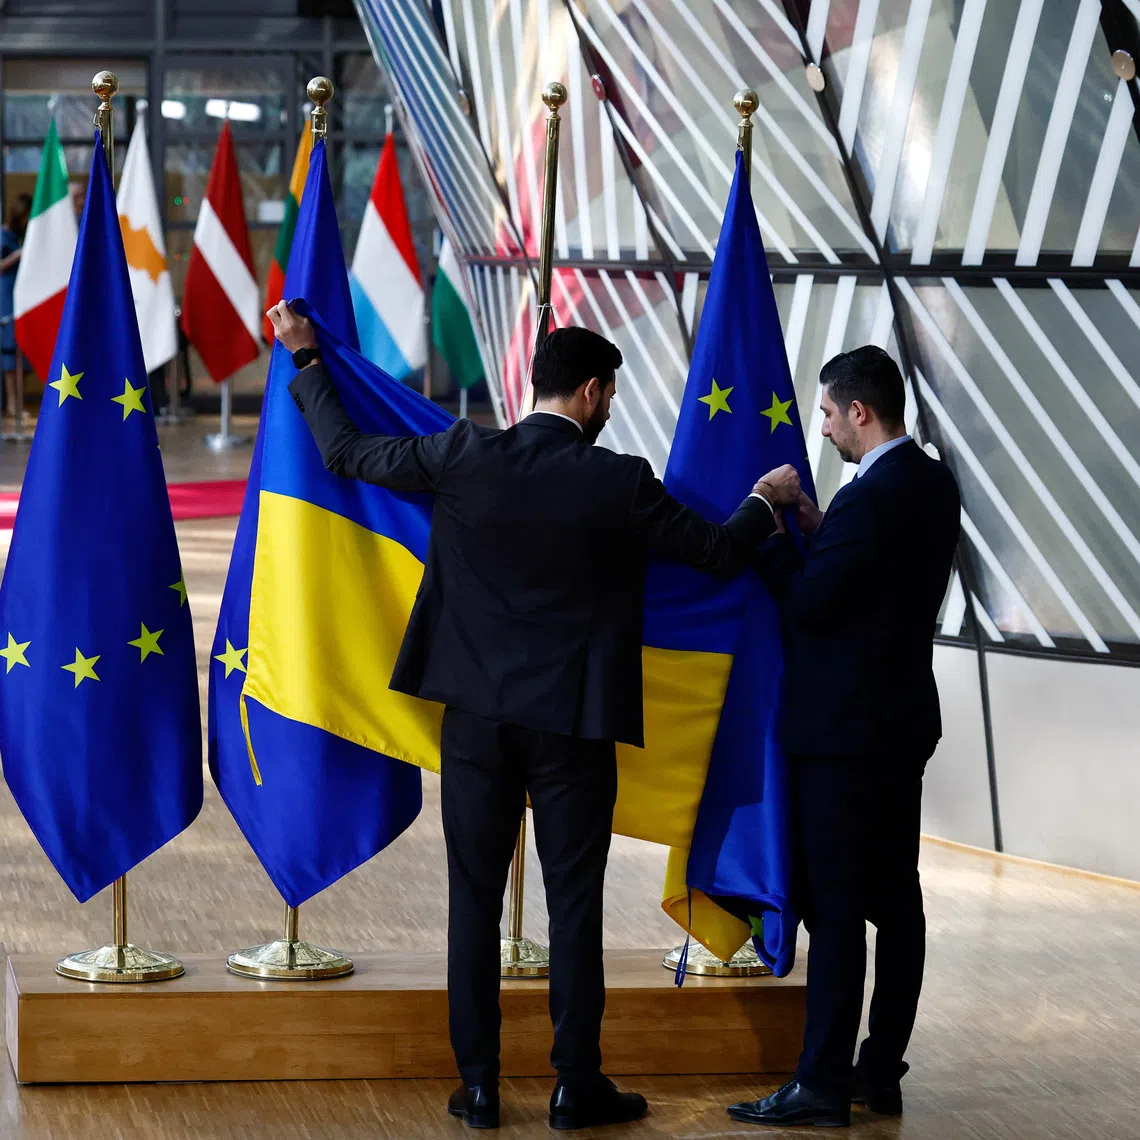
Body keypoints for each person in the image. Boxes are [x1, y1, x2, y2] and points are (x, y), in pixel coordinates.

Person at [268, 300, 802, 1131]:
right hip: (573, 727)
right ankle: (573, 1085)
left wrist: (307, 361)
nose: (612, 408)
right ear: (591, 392)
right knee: (574, 905)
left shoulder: (461, 453)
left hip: (476, 723)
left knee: (473, 902)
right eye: (611, 395)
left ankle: (478, 1085)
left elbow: (342, 453)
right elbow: (717, 553)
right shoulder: (616, 479)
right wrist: (764, 500)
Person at [728, 345, 960, 1129]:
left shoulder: (872, 498)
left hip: (841, 739)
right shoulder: (931, 481)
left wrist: (764, 521)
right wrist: (822, 527)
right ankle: (878, 1071)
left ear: (860, 411)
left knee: (835, 911)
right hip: (899, 729)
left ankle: (821, 1083)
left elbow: (811, 607)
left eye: (827, 413)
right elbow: (876, 579)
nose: (821, 429)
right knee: (897, 904)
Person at [0, 193, 32, 419]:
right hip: (6, 297)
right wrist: (19, 255)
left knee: (24, 352)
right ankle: (12, 403)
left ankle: (18, 400)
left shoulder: (23, 235)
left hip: (23, 296)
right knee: (11, 354)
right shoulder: (4, 236)